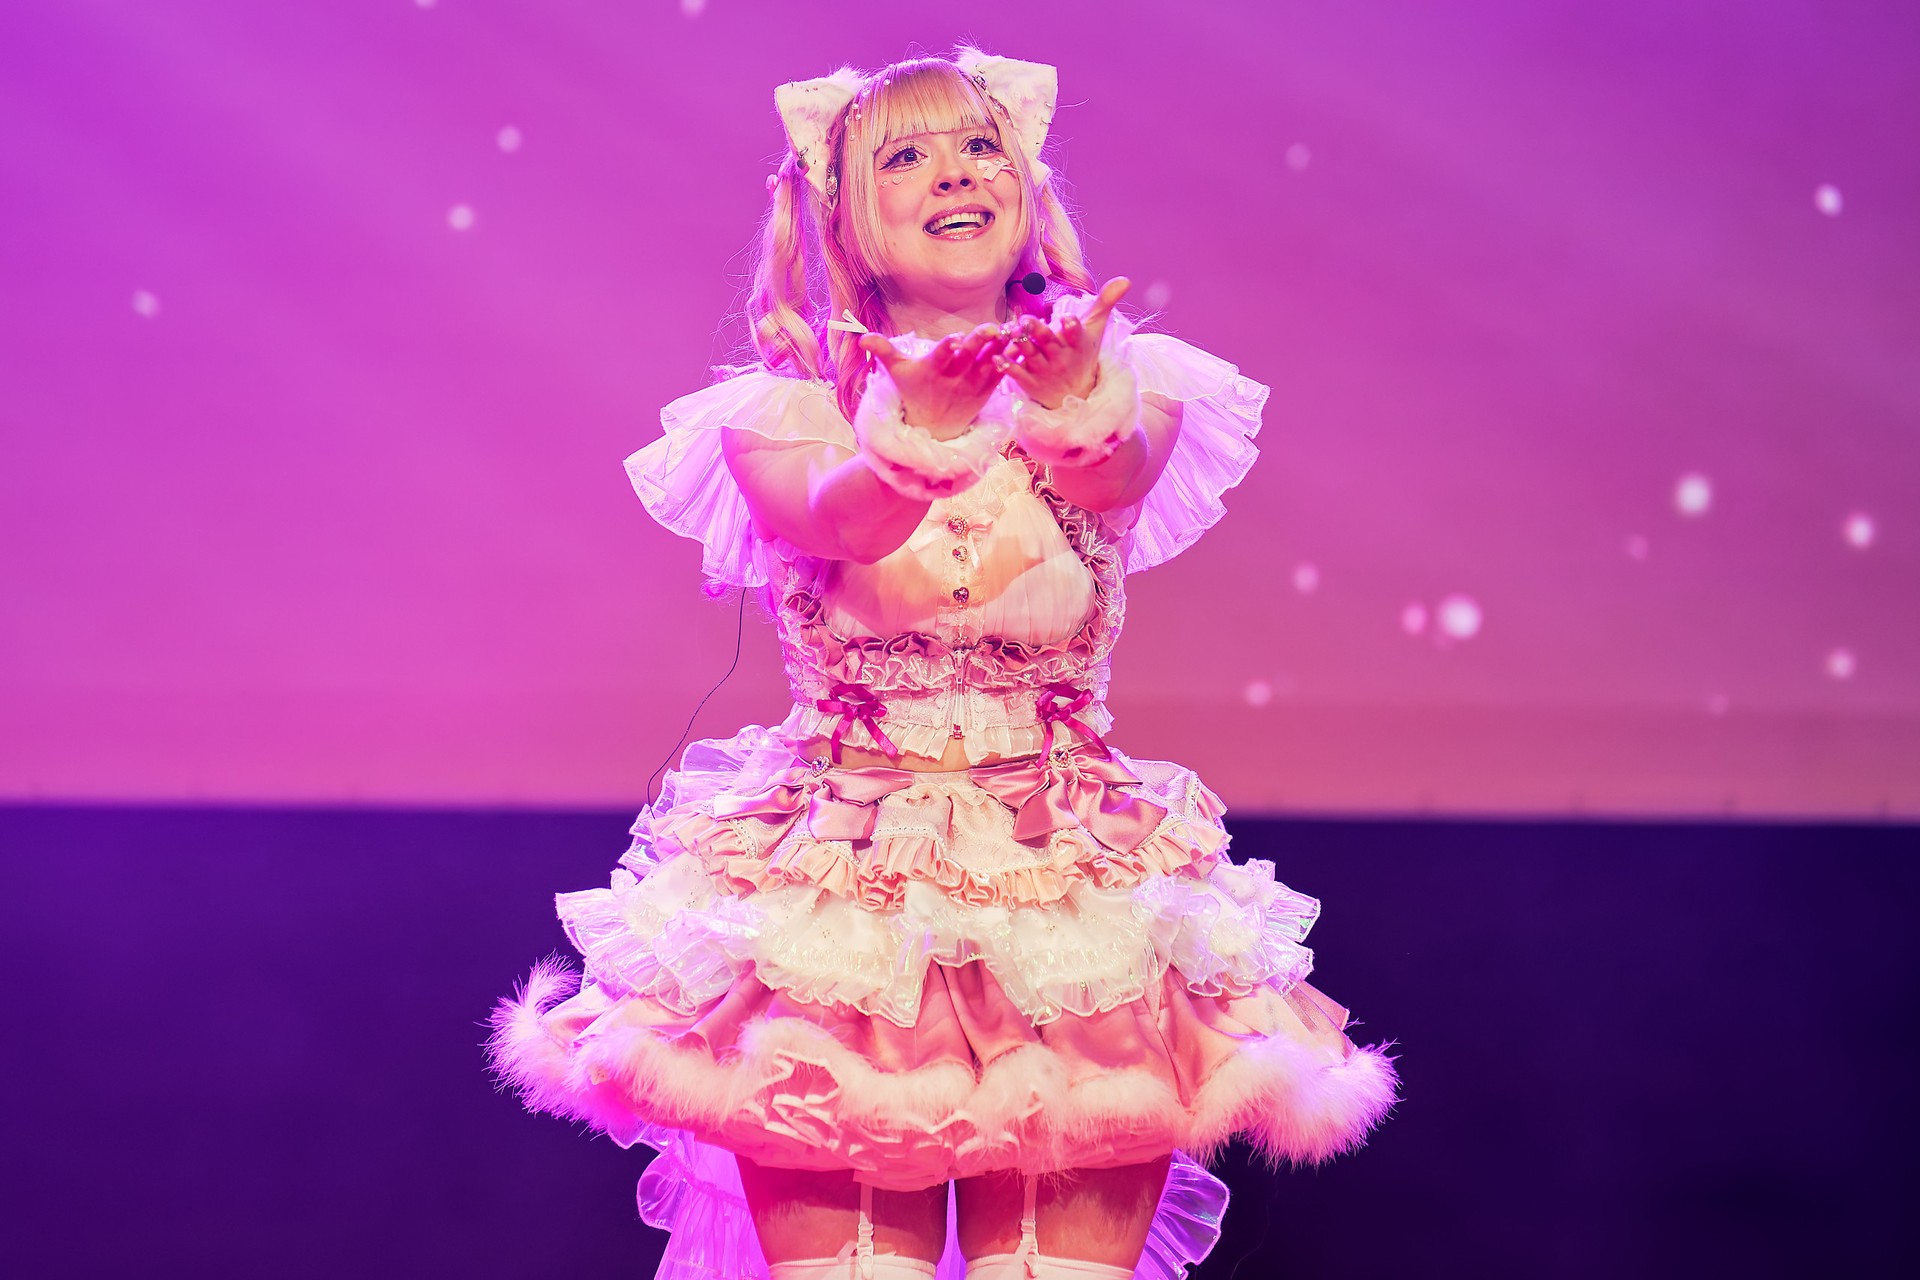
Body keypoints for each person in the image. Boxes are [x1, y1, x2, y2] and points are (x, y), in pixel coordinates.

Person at [490, 47, 1399, 1280]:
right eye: (906, 156)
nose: (956, 173)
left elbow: (1111, 474)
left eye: (980, 146)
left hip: (1070, 885)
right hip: (844, 894)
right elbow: (844, 520)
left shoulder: (1120, 378)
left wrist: (1072, 402)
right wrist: (921, 430)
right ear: (844, 220)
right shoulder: (784, 410)